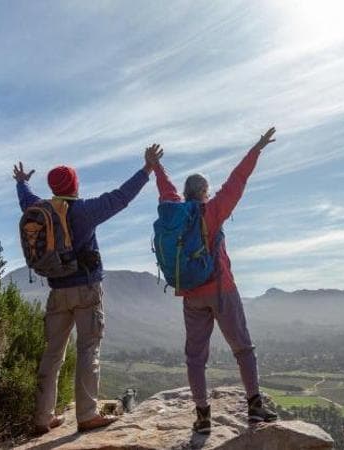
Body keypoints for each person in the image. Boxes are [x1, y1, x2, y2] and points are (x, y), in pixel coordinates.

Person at [13, 145, 162, 434]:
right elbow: (121, 197)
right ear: (74, 185)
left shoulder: (39, 208)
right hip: (86, 290)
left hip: (57, 292)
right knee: (88, 350)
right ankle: (87, 415)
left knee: (52, 354)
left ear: (53, 187)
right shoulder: (83, 211)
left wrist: (21, 181)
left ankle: (43, 418)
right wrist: (147, 170)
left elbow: (25, 199)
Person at [149, 127, 278, 434]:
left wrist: (156, 165)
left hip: (191, 294)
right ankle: (255, 407)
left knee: (195, 357)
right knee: (243, 348)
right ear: (205, 192)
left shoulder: (174, 211)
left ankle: (203, 416)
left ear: (186, 193)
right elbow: (237, 181)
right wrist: (256, 149)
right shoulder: (213, 211)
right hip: (222, 290)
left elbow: (165, 188)